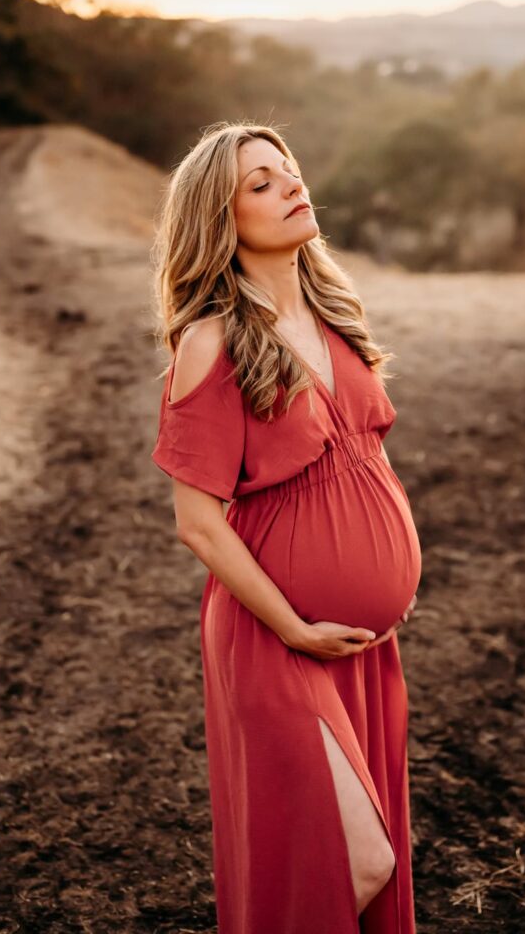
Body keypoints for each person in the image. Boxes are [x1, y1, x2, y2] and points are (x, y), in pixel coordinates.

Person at [150, 121, 422, 934]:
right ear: (221, 219)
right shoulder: (211, 341)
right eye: (260, 184)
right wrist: (294, 628)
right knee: (355, 862)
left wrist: (390, 569)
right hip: (276, 639)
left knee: (361, 867)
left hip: (362, 647)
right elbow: (198, 524)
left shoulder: (335, 315)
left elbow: (367, 458)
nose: (290, 187)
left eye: (289, 171)